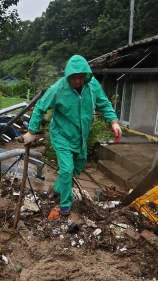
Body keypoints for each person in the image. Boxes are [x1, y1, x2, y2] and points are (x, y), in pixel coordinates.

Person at [23, 55, 121, 216]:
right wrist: (31, 132)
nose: (77, 81)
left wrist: (114, 122)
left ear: (87, 76)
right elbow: (40, 107)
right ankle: (65, 206)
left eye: (81, 77)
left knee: (78, 166)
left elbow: (104, 103)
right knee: (67, 169)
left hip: (81, 136)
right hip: (61, 135)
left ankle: (58, 189)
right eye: (74, 78)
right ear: (68, 75)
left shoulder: (92, 86)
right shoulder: (57, 89)